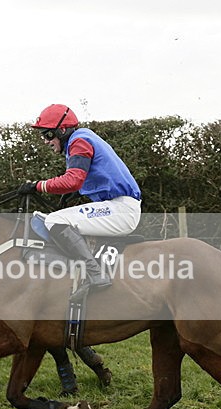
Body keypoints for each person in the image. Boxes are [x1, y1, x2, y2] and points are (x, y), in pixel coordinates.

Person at [19, 104, 142, 290]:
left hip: (121, 209)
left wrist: (37, 185)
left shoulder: (79, 141)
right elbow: (93, 177)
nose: (45, 140)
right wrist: (68, 195)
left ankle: (95, 274)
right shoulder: (82, 137)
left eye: (48, 135)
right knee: (54, 218)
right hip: (119, 206)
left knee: (54, 220)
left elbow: (73, 180)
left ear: (62, 130)